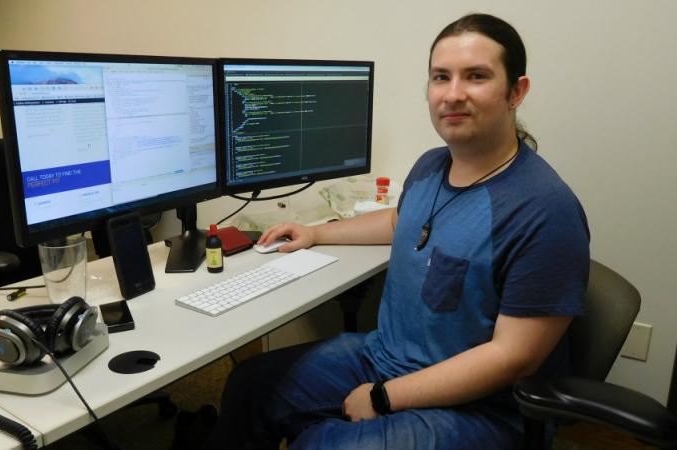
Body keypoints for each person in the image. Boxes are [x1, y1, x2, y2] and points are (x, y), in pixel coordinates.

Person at [200, 12, 590, 450]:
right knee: (252, 385)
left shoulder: (543, 210)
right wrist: (317, 232)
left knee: (322, 443)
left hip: (484, 410)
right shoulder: (432, 165)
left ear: (516, 91)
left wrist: (385, 397)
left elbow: (513, 358)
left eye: (476, 76)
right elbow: (399, 223)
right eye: (441, 77)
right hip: (383, 356)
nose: (453, 94)